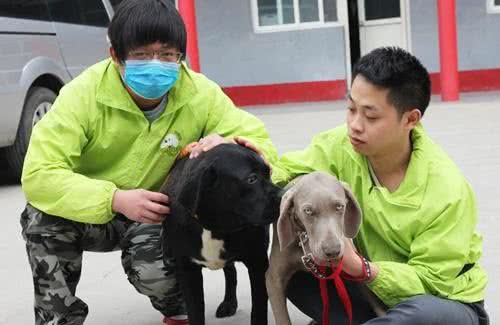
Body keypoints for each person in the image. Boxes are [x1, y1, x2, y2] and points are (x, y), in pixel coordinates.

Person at [20, 1, 279, 324]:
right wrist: (114, 198)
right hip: (87, 213)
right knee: (41, 219)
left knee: (167, 261)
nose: (156, 64)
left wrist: (233, 141)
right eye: (142, 55)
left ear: (180, 57)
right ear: (115, 55)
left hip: (155, 218)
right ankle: (57, 318)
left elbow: (261, 145)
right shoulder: (81, 96)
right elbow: (39, 174)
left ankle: (177, 306)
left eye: (167, 55)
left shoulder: (200, 94)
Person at [273, 47, 489, 325]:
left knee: (417, 317)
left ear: (411, 119)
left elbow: (431, 281)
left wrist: (363, 269)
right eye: (351, 109)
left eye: (370, 116)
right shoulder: (339, 145)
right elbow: (284, 170)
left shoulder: (447, 190)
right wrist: (247, 156)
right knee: (299, 277)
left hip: (440, 301)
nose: (355, 125)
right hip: (369, 294)